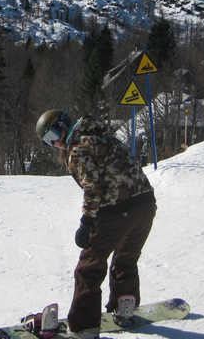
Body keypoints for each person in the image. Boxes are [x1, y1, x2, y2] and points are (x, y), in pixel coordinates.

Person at [36, 110, 156, 339]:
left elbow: (93, 187)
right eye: (49, 142)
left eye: (54, 134)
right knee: (125, 258)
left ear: (64, 124)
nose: (57, 143)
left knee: (89, 267)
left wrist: (87, 222)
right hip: (146, 206)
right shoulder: (105, 137)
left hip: (118, 209)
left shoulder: (78, 148)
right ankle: (125, 306)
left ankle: (84, 328)